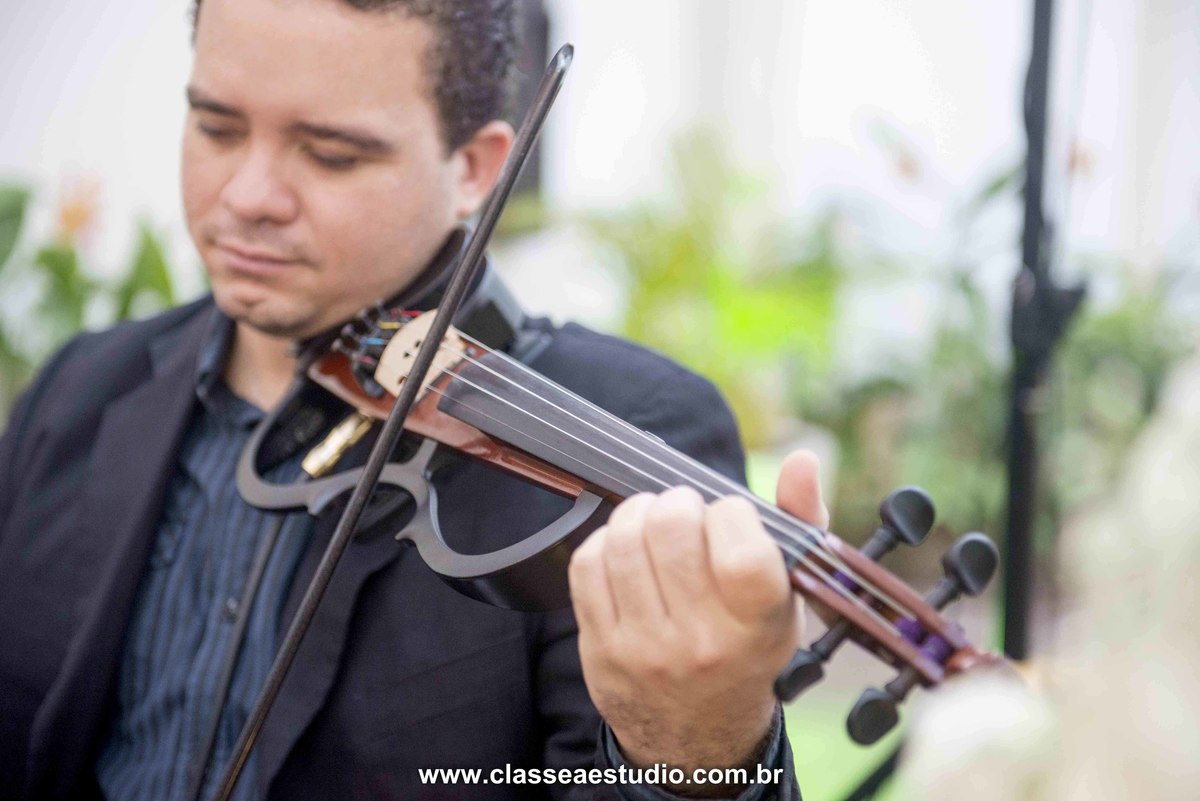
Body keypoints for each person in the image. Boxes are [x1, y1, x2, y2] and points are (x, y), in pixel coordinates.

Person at [0, 1, 825, 799]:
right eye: (216, 127)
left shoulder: (631, 426)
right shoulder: (79, 388)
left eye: (331, 154)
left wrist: (698, 753)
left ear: (474, 168)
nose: (249, 195)